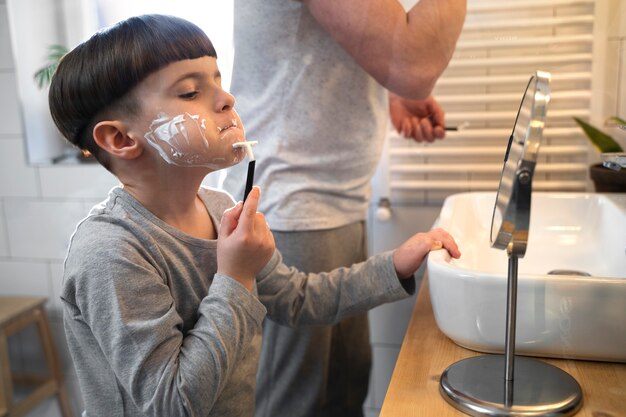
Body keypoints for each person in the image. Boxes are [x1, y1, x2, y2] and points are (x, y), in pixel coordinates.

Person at [49, 14, 460, 417]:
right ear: (120, 139)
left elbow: (298, 300)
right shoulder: (110, 251)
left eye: (218, 81)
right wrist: (235, 277)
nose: (227, 100)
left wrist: (395, 266)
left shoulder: (219, 208)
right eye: (191, 93)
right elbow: (170, 403)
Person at [221, 1, 467, 416]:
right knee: (298, 405)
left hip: (326, 203)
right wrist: (402, 76)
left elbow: (367, 54)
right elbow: (414, 63)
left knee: (343, 393)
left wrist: (390, 90)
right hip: (293, 207)